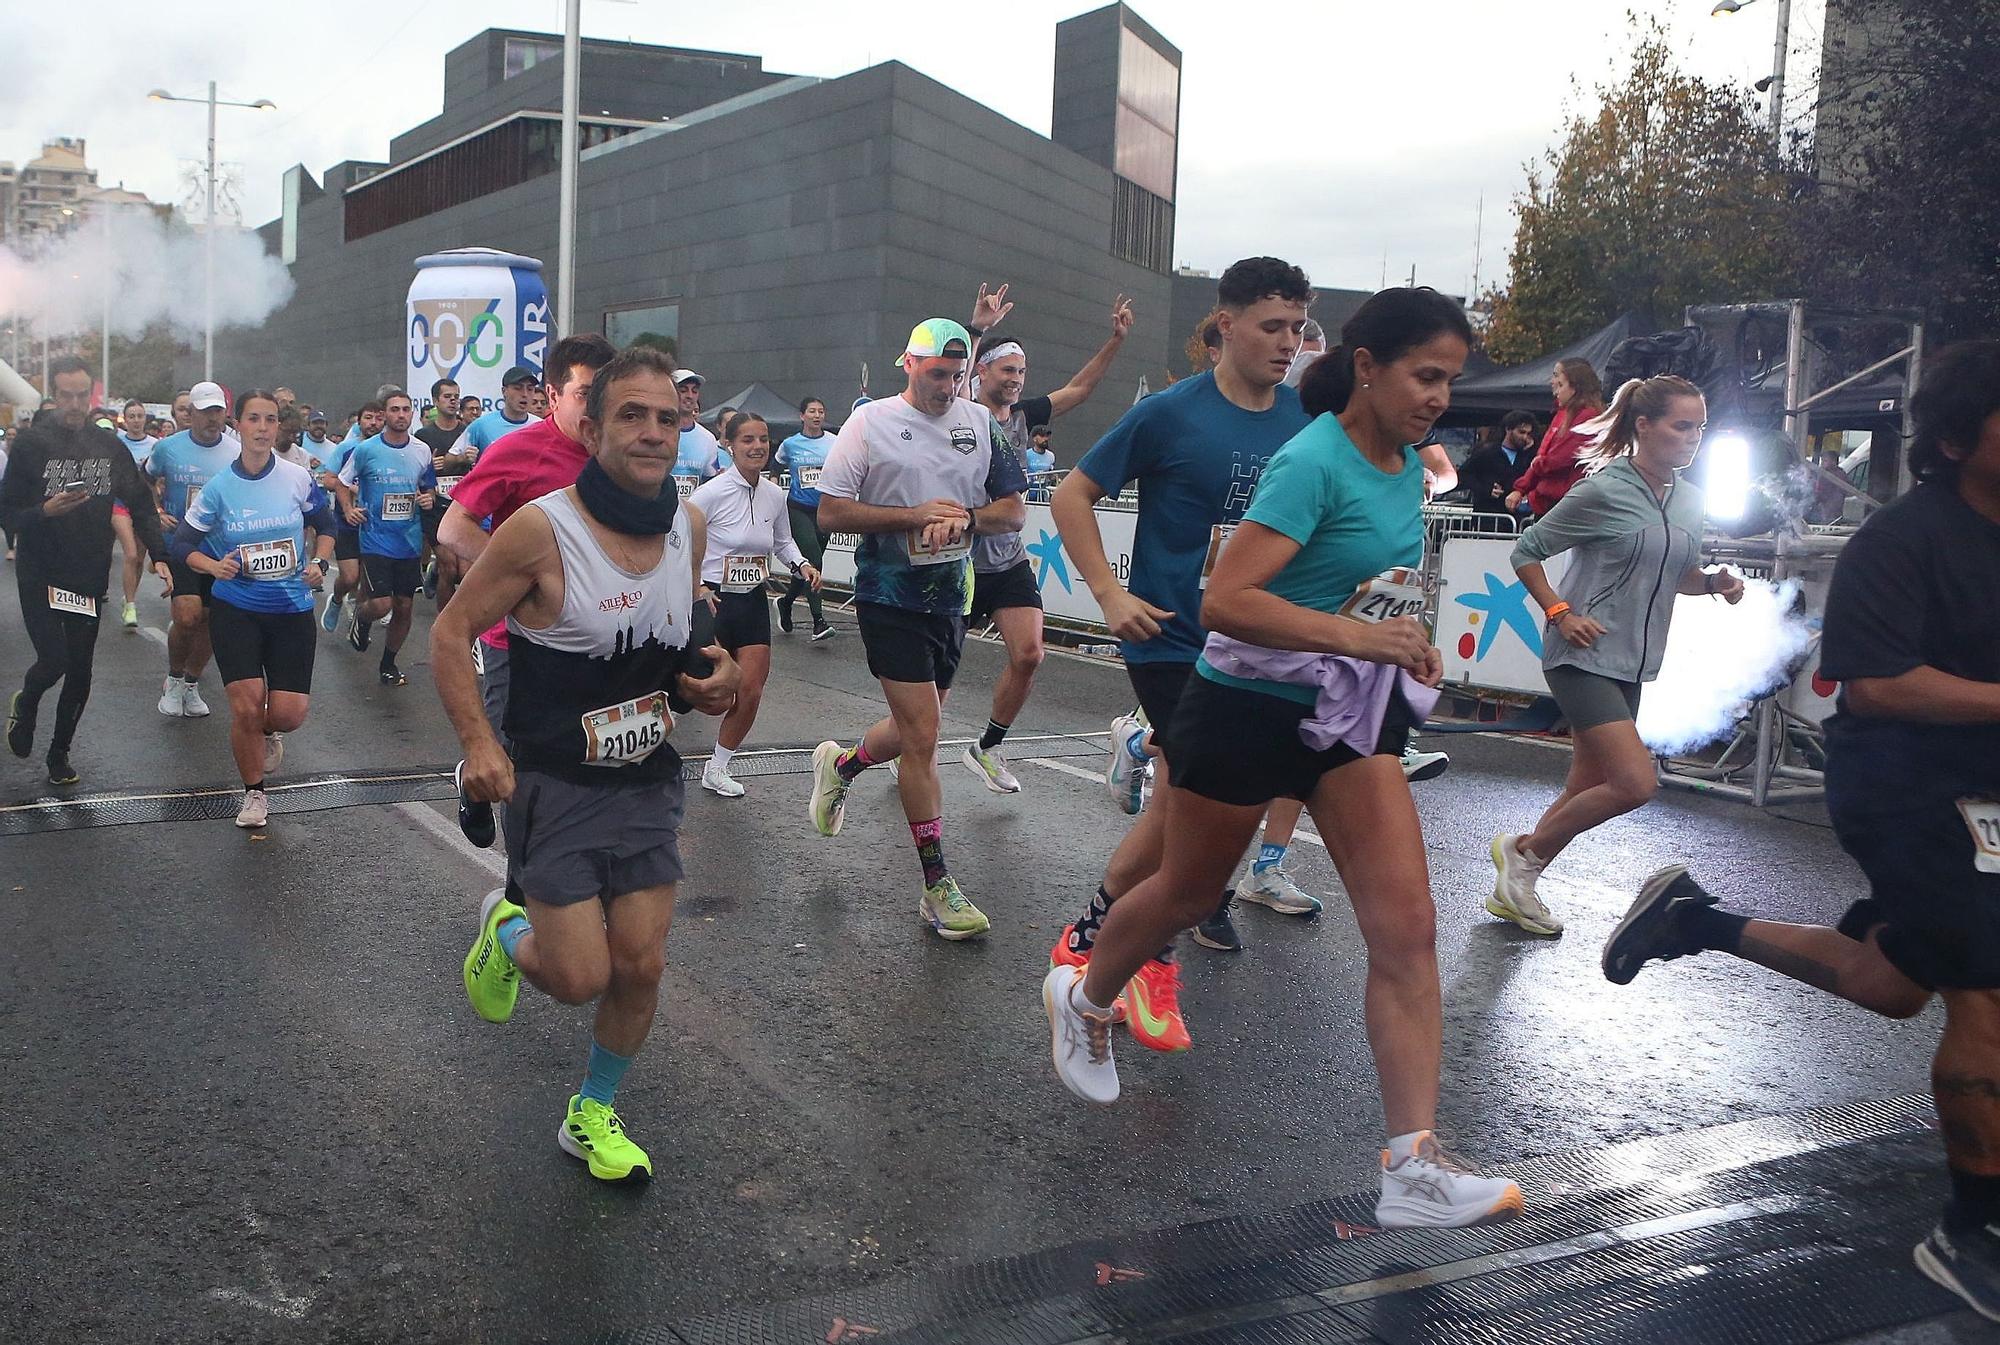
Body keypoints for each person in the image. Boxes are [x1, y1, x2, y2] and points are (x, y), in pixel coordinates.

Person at [1042, 287, 1525, 1228]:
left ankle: (1412, 1166)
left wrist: (1400, 634)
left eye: (1451, 381)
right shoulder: (1312, 460)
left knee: (1407, 927)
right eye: (1426, 376)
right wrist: (1355, 633)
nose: (1440, 397)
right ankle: (1087, 993)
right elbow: (1225, 599)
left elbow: (1362, 583)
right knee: (1187, 892)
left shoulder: (1402, 468)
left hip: (1346, 711)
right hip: (1245, 701)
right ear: (1368, 366)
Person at [1600, 340, 2000, 1321]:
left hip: (1987, 794)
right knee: (1986, 994)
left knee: (1891, 983)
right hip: (1902, 787)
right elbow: (1877, 683)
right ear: (1955, 439)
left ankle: (1691, 919)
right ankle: (1970, 1229)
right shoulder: (1901, 542)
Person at [437, 344, 740, 1183]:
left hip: (646, 776)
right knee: (579, 977)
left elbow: (687, 636)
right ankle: (508, 928)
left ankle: (592, 1112)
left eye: (666, 417)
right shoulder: (543, 527)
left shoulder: (690, 520)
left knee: (641, 963)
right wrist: (477, 743)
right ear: (595, 426)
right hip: (556, 784)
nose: (651, 432)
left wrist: (720, 674)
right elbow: (450, 633)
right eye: (631, 415)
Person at [1047, 257, 1317, 1046]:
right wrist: (1108, 594)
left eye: (1297, 329)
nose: (1287, 343)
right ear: (1224, 326)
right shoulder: (1171, 414)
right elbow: (1071, 493)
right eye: (1272, 327)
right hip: (1171, 639)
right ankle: (1151, 964)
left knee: (1177, 809)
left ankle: (1090, 933)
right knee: (1194, 816)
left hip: (1260, 644)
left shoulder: (1306, 422)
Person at [1489, 375, 1745, 936]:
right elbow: (1527, 551)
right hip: (1581, 653)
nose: (1693, 438)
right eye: (1682, 426)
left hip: (1635, 658)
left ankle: (1518, 883)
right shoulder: (1603, 489)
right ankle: (1524, 854)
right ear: (1644, 426)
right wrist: (1561, 613)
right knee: (1634, 783)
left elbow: (1679, 576)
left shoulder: (1691, 500)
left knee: (1585, 784)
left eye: (1700, 427)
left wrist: (1715, 583)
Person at [806, 317, 1028, 940]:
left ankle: (842, 764)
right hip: (888, 595)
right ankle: (937, 886)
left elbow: (1012, 509)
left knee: (913, 729)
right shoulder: (870, 421)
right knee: (925, 736)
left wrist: (965, 521)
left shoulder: (979, 422)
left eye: (958, 375)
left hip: (953, 595)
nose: (948, 386)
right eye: (937, 374)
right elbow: (828, 512)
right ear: (908, 362)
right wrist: (912, 518)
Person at [438, 334, 618, 842]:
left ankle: (542, 882)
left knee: (573, 763)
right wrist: (527, 576)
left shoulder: (617, 454)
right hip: (514, 638)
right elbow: (453, 529)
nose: (596, 409)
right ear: (552, 395)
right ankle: (473, 789)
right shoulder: (517, 450)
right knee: (502, 758)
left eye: (605, 395)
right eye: (585, 394)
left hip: (594, 637)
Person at [960, 292, 1135, 794]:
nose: (1016, 379)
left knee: (1030, 653)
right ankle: (906, 740)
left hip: (1006, 558)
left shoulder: (1023, 413)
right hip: (957, 561)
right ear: (982, 373)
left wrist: (1116, 341)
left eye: (1022, 371)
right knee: (934, 677)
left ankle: (987, 747)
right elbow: (953, 382)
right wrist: (976, 330)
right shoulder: (962, 411)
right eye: (1007, 370)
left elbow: (1078, 389)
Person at [1, 356, 172, 785]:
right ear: (54, 396)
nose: (75, 404)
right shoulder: (30, 446)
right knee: (53, 659)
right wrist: (43, 509)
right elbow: (6, 513)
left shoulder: (108, 447)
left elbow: (140, 503)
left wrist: (162, 555)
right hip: (40, 571)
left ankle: (59, 755)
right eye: (66, 395)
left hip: (86, 573)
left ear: (91, 393)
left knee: (80, 669)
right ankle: (28, 701)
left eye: (82, 395)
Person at [170, 390, 336, 828]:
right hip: (236, 609)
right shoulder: (220, 488)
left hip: (291, 608)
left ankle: (269, 731)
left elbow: (326, 524)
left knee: (287, 713)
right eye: (253, 419)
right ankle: (254, 795)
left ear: (277, 427)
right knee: (246, 707)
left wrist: (320, 561)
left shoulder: (298, 478)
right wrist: (213, 566)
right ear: (237, 426)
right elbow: (182, 543)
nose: (262, 428)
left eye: (269, 420)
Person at [688, 410, 818, 796]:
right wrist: (696, 587)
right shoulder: (710, 493)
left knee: (751, 689)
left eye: (763, 439)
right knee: (703, 690)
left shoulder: (774, 494)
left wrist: (802, 563)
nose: (758, 446)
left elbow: (782, 541)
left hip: (752, 598)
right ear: (728, 444)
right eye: (747, 439)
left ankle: (718, 767)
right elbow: (681, 540)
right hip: (712, 597)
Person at [148, 380, 241, 719]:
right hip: (183, 547)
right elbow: (144, 479)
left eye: (217, 411)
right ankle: (173, 679)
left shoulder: (236, 451)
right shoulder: (168, 448)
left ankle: (191, 682)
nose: (212, 418)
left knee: (211, 622)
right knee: (188, 616)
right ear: (191, 414)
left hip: (222, 551)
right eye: (205, 412)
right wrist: (157, 510)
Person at [334, 389, 436, 686]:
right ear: (384, 415)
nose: (401, 415)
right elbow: (341, 483)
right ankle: (362, 619)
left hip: (408, 539)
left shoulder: (421, 450)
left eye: (406, 409)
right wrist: (348, 509)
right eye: (395, 410)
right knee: (381, 604)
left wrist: (428, 499)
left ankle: (388, 663)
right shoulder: (365, 450)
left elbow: (427, 488)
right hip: (375, 538)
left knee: (404, 606)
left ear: (412, 414)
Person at [1507, 357, 1604, 519]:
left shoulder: (1587, 415)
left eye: (1559, 383)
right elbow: (1547, 456)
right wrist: (1521, 488)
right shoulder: (1564, 414)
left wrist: (1536, 466)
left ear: (1575, 387)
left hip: (1565, 503)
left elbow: (1559, 458)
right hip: (1553, 501)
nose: (1553, 384)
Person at [773, 396, 837, 640]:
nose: (817, 415)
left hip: (825, 510)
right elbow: (777, 465)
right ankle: (818, 621)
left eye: (821, 411)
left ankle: (786, 603)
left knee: (806, 568)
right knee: (814, 559)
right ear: (802, 416)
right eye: (812, 411)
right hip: (798, 508)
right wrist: (774, 484)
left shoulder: (834, 442)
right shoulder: (790, 444)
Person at [318, 401, 384, 635]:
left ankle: (357, 616)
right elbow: (327, 480)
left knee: (366, 579)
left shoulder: (388, 449)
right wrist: (353, 488)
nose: (373, 423)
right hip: (346, 522)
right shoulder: (346, 448)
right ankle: (336, 599)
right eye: (368, 418)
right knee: (349, 577)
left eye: (378, 418)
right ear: (359, 421)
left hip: (376, 525)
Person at [417, 384, 473, 608]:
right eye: (447, 397)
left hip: (462, 506)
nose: (453, 401)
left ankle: (435, 573)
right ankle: (444, 623)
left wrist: (470, 459)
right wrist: (431, 467)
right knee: (449, 566)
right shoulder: (424, 435)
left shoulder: (468, 431)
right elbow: (417, 471)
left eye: (456, 397)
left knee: (464, 571)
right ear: (436, 400)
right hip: (435, 508)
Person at [112, 397, 157, 628]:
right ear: (125, 420)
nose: (136, 420)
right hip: (119, 504)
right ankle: (131, 606)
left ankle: (129, 595)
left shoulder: (155, 444)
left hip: (144, 506)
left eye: (140, 416)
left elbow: (159, 478)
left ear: (145, 419)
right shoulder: (116, 442)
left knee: (139, 558)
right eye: (132, 416)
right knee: (129, 554)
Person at [1460, 410, 1538, 517]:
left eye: (1528, 434)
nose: (1525, 437)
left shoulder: (1528, 456)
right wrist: (1485, 489)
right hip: (1488, 515)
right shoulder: (1486, 453)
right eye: (1521, 432)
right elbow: (1463, 475)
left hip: (1517, 518)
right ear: (1508, 429)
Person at [461, 366, 541, 454]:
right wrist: (462, 459)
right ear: (504, 391)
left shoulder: (540, 426)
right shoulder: (481, 425)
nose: (525, 394)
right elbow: (451, 459)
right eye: (518, 388)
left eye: (530, 389)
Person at [670, 370, 724, 489]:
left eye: (694, 391)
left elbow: (710, 482)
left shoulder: (708, 439)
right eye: (683, 390)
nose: (690, 395)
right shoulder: (657, 432)